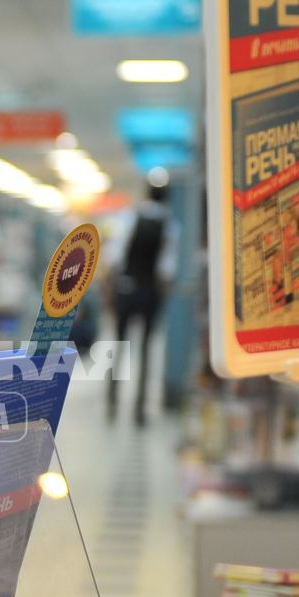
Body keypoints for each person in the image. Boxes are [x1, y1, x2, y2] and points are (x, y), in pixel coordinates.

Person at [108, 179, 176, 425]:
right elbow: (167, 269)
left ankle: (112, 401)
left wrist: (112, 287)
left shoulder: (130, 218)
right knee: (147, 349)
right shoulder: (168, 225)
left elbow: (115, 256)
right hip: (150, 292)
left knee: (120, 346)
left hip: (126, 289)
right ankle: (140, 407)